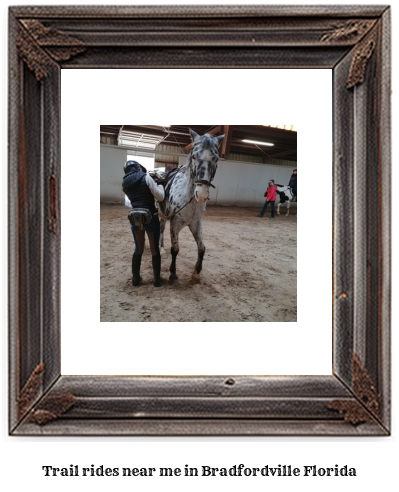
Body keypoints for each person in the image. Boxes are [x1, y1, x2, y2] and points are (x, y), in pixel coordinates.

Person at [122, 160, 165, 287]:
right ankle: (157, 280)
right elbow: (160, 197)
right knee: (154, 249)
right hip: (150, 216)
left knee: (138, 248)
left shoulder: (124, 183)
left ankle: (136, 278)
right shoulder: (146, 177)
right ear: (138, 168)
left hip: (135, 217)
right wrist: (160, 185)